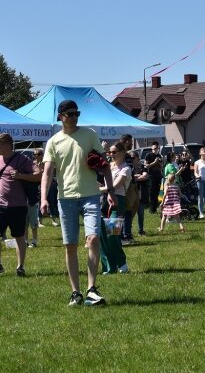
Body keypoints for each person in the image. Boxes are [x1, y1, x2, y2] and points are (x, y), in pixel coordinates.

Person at [41, 100, 118, 306]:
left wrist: (110, 190)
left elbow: (106, 166)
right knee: (71, 246)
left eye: (77, 113)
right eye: (70, 114)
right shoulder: (53, 142)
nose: (74, 117)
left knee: (93, 239)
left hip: (91, 195)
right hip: (65, 198)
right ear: (60, 116)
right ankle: (75, 293)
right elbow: (48, 172)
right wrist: (43, 199)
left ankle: (92, 289)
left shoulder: (90, 134)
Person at [0, 133, 41, 277]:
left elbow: (39, 175)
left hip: (18, 205)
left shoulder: (23, 159)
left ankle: (20, 266)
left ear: (7, 145)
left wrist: (21, 176)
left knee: (19, 236)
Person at [99, 142, 130, 273]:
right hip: (104, 201)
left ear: (122, 152)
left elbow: (114, 186)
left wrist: (96, 189)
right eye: (110, 152)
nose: (111, 155)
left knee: (112, 234)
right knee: (102, 236)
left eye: (114, 152)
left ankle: (121, 263)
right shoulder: (108, 166)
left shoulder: (126, 169)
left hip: (118, 202)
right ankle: (109, 267)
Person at [144, 141, 163, 214]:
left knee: (157, 192)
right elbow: (146, 165)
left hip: (158, 176)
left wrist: (160, 163)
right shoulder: (148, 155)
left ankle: (155, 208)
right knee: (152, 193)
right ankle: (152, 210)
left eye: (157, 148)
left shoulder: (159, 156)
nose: (155, 149)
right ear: (152, 148)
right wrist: (154, 162)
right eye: (154, 148)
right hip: (151, 176)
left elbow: (161, 166)